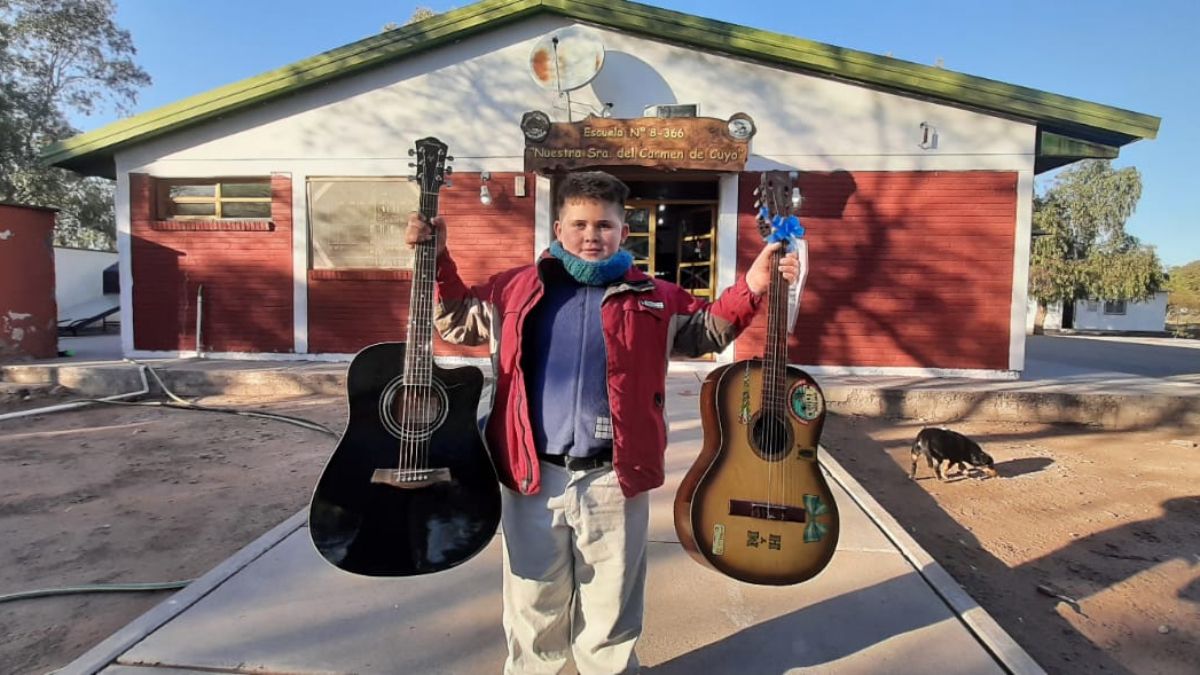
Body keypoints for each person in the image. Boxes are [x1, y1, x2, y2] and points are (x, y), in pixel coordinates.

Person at [406, 171, 799, 674]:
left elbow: (705, 331)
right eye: (579, 224)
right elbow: (459, 320)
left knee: (610, 606)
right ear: (558, 228)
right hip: (532, 475)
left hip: (615, 476)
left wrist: (754, 285)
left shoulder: (655, 296)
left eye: (604, 225)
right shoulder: (514, 289)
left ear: (623, 231)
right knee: (533, 602)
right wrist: (436, 260)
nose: (591, 235)